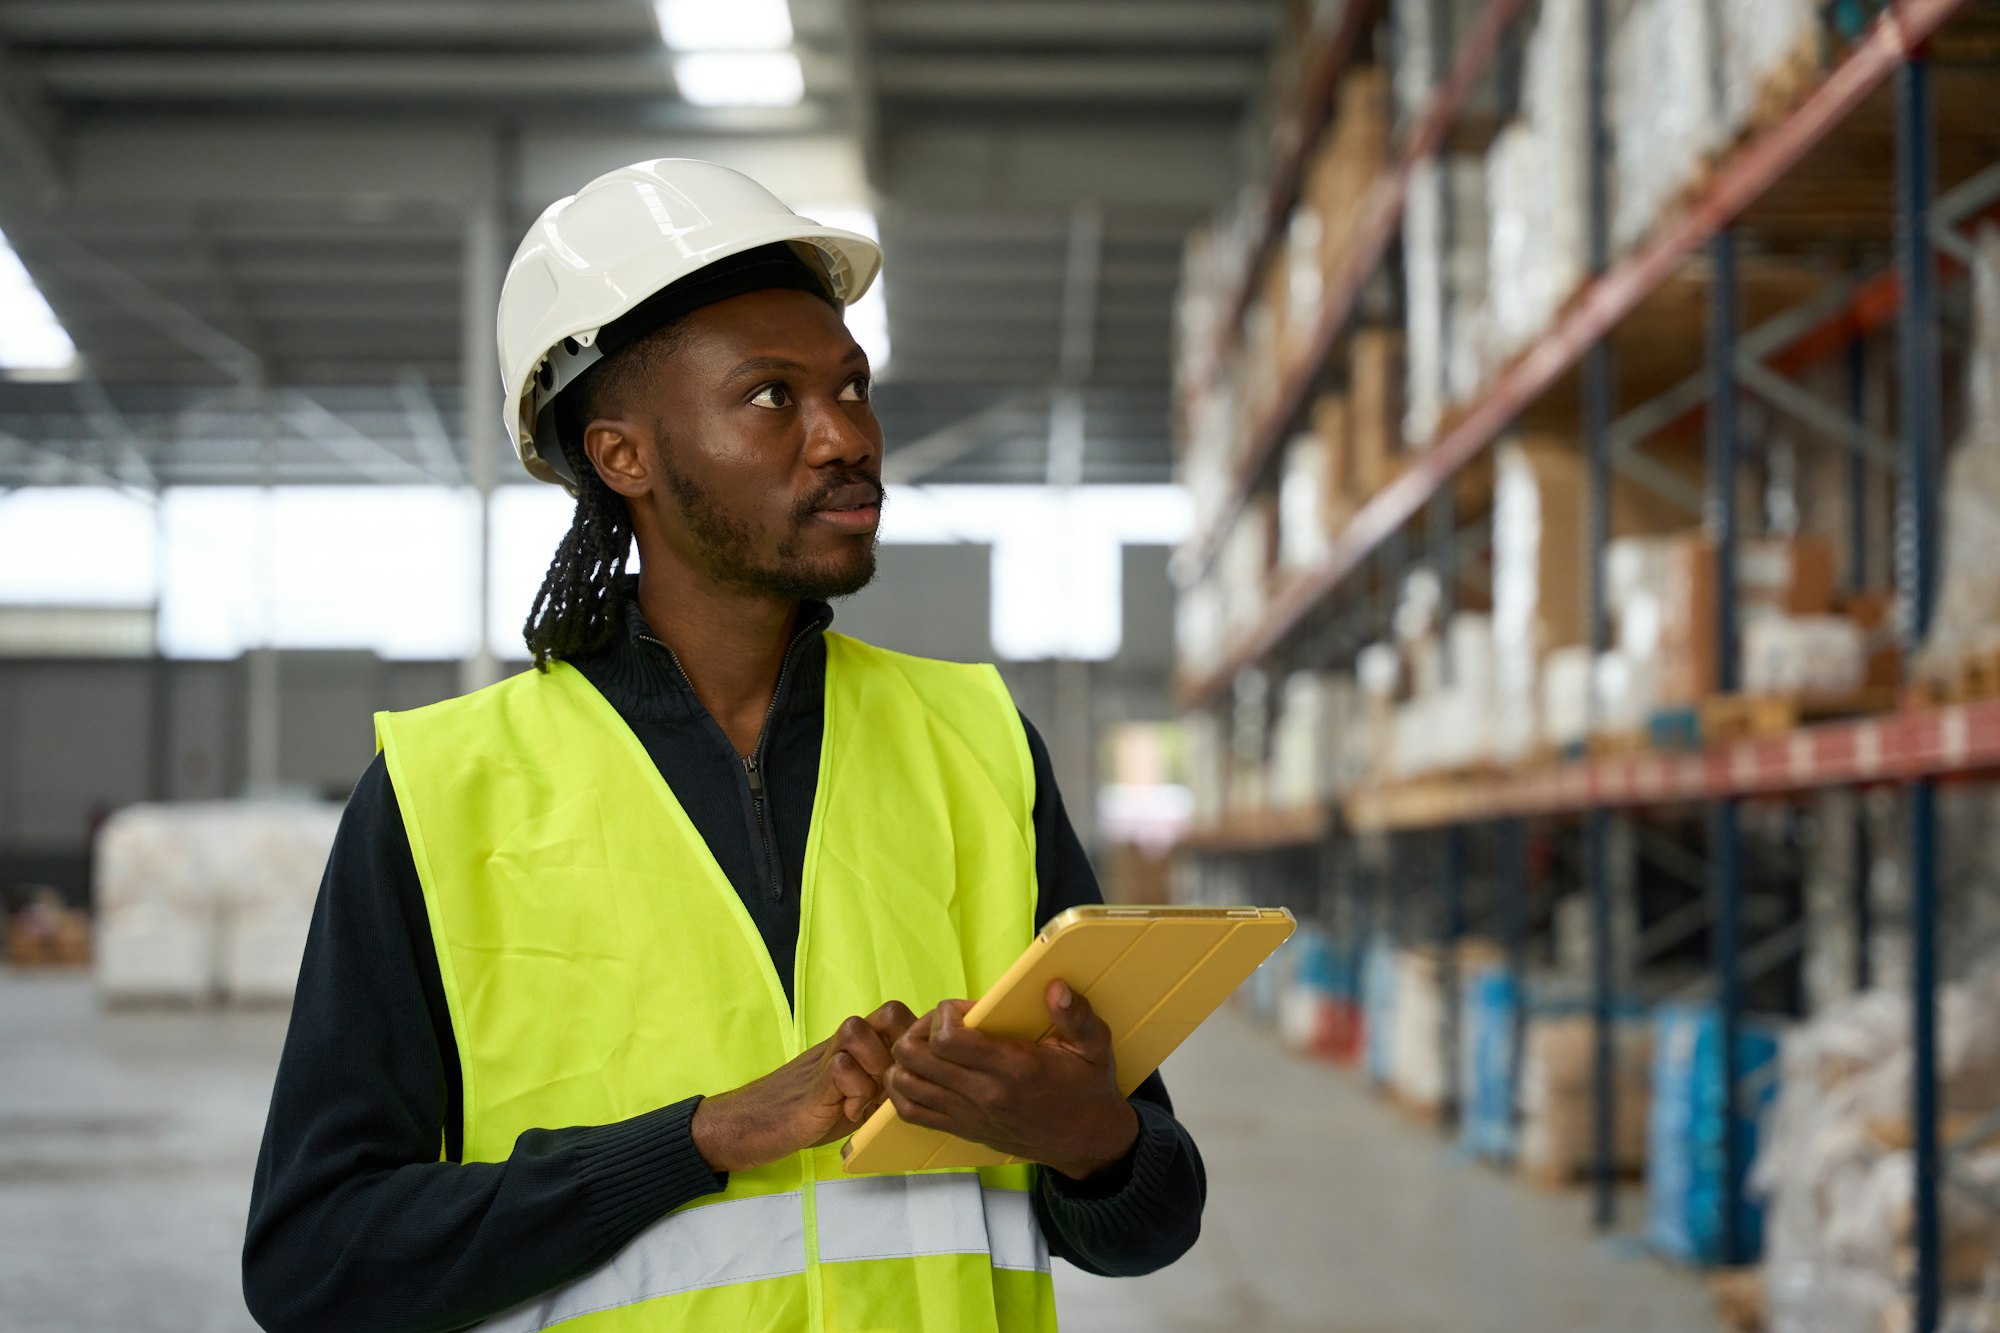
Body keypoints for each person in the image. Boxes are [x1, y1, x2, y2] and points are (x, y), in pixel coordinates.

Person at [242, 159, 1205, 1333]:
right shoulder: (445, 795)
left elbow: (1151, 1214)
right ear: (622, 457)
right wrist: (700, 1137)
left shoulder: (978, 746)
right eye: (770, 397)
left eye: (852, 389)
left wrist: (1091, 1143)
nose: (844, 436)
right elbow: (315, 1266)